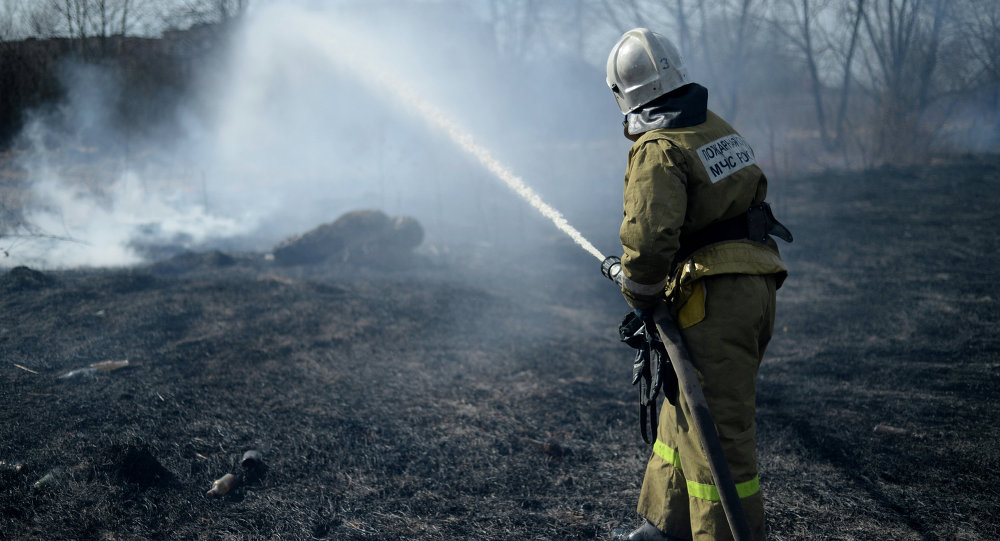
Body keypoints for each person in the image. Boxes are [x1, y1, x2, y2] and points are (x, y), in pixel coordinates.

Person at [602, 28, 791, 541]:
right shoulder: (711, 125)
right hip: (748, 286)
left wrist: (638, 292)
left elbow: (646, 241)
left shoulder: (658, 147)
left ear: (624, 96)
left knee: (719, 439)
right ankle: (663, 527)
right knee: (682, 413)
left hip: (713, 299)